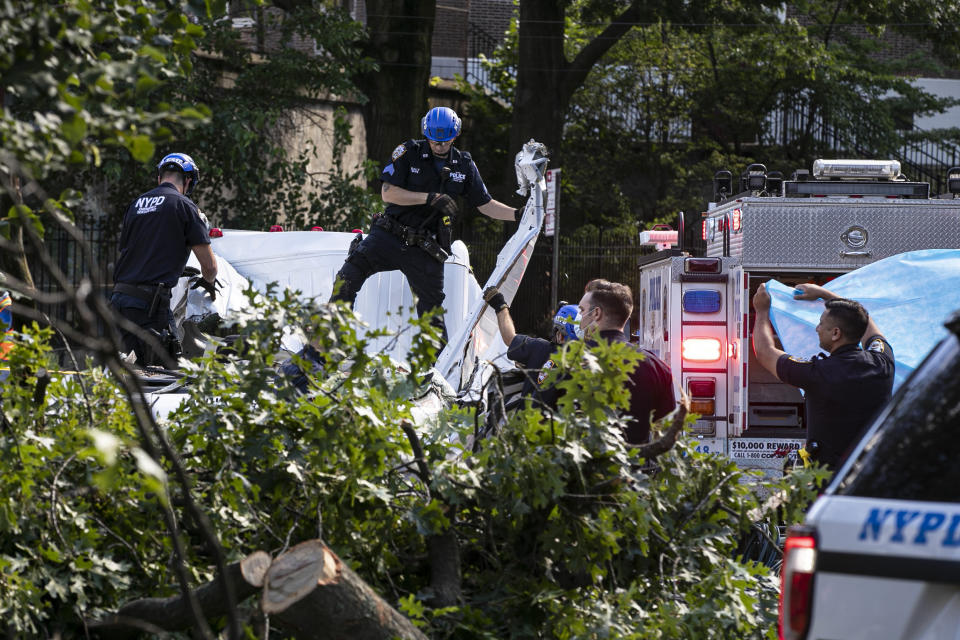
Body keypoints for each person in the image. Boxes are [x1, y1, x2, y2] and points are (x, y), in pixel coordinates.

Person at [331, 106, 519, 343]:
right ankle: (324, 347)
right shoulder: (408, 152)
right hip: (390, 235)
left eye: (445, 141)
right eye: (434, 140)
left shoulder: (464, 165)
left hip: (425, 249)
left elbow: (485, 204)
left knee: (432, 321)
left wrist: (518, 215)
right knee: (345, 280)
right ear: (425, 133)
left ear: (455, 134)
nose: (439, 145)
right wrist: (429, 198)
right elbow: (388, 193)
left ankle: (437, 375)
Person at [752, 282, 895, 471]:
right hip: (867, 473)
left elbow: (764, 352)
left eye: (821, 323)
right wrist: (825, 294)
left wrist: (761, 311)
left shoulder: (817, 373)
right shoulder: (883, 363)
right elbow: (867, 326)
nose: (817, 329)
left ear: (836, 333)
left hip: (826, 478)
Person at [110, 152, 218, 365]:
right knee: (165, 374)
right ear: (188, 181)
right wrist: (209, 281)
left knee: (125, 371)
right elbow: (210, 266)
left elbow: (138, 250)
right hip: (150, 307)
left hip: (119, 301)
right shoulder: (185, 206)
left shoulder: (136, 205)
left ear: (160, 178)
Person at [576, 279, 676, 445]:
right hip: (635, 467)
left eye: (582, 310)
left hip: (583, 466)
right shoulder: (656, 367)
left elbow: (542, 416)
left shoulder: (571, 360)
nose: (579, 317)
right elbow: (665, 432)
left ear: (596, 313)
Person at [483, 287, 577, 406]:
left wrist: (500, 305)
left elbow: (509, 338)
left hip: (525, 421)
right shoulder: (588, 365)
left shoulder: (540, 348)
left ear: (560, 335)